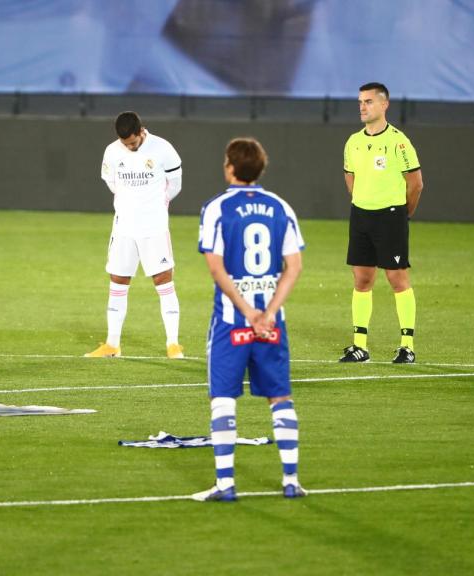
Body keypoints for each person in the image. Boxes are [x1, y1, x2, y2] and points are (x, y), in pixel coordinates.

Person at [192, 137, 306, 502]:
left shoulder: (216, 208)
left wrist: (246, 312)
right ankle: (291, 480)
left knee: (223, 399)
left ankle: (225, 485)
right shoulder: (280, 207)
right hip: (271, 324)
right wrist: (268, 313)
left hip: (231, 322)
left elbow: (216, 267)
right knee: (280, 397)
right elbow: (295, 266)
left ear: (229, 167)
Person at [86, 111, 185, 359]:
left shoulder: (163, 149)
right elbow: (111, 182)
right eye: (125, 143)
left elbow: (175, 184)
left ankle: (173, 344)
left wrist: (157, 204)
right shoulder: (112, 151)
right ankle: (112, 345)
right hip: (124, 227)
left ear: (142, 132)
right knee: (118, 281)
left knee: (163, 281)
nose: (129, 147)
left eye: (132, 142)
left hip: (154, 226)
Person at [339, 82, 423, 364]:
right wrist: (363, 201)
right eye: (360, 102)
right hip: (361, 216)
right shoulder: (353, 142)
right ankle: (359, 346)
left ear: (384, 105)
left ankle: (407, 346)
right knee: (362, 279)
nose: (363, 107)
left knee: (396, 278)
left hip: (391, 216)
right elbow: (350, 178)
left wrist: (403, 213)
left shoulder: (399, 142)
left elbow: (416, 184)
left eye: (369, 102)